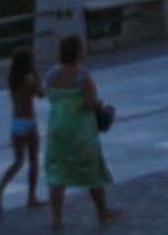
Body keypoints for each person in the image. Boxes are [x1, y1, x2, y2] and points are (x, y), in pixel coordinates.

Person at [43, 35, 116, 230]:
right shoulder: (83, 76)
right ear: (76, 52)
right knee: (91, 168)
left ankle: (56, 219)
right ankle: (102, 211)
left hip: (56, 128)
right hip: (80, 130)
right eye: (82, 48)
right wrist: (102, 106)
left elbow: (51, 98)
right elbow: (91, 103)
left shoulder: (51, 74)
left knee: (57, 173)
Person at [0, 48, 46, 212]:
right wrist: (38, 76)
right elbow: (41, 93)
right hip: (29, 121)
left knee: (18, 161)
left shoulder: (12, 79)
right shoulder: (29, 79)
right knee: (33, 160)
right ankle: (31, 197)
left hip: (16, 122)